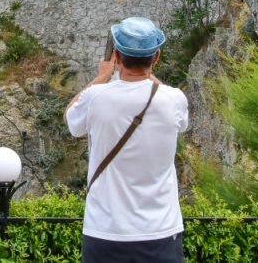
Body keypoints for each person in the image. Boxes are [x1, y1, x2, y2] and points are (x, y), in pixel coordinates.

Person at [65, 17, 189, 263]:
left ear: (117, 58)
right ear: (156, 58)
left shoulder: (96, 96)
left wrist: (102, 76)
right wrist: (149, 75)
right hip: (161, 231)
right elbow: (180, 121)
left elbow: (70, 120)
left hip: (105, 230)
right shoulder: (174, 99)